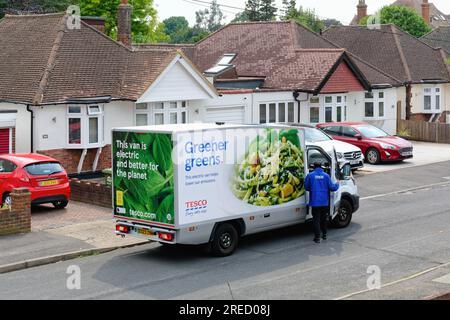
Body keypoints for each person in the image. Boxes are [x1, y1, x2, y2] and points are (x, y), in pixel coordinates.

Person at [304, 162, 340, 243]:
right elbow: (332, 188)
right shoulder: (326, 176)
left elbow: (306, 187)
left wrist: (312, 189)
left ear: (314, 167)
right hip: (324, 202)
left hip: (315, 202)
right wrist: (337, 183)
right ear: (321, 167)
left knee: (316, 219)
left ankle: (317, 238)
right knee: (324, 219)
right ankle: (324, 235)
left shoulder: (310, 175)